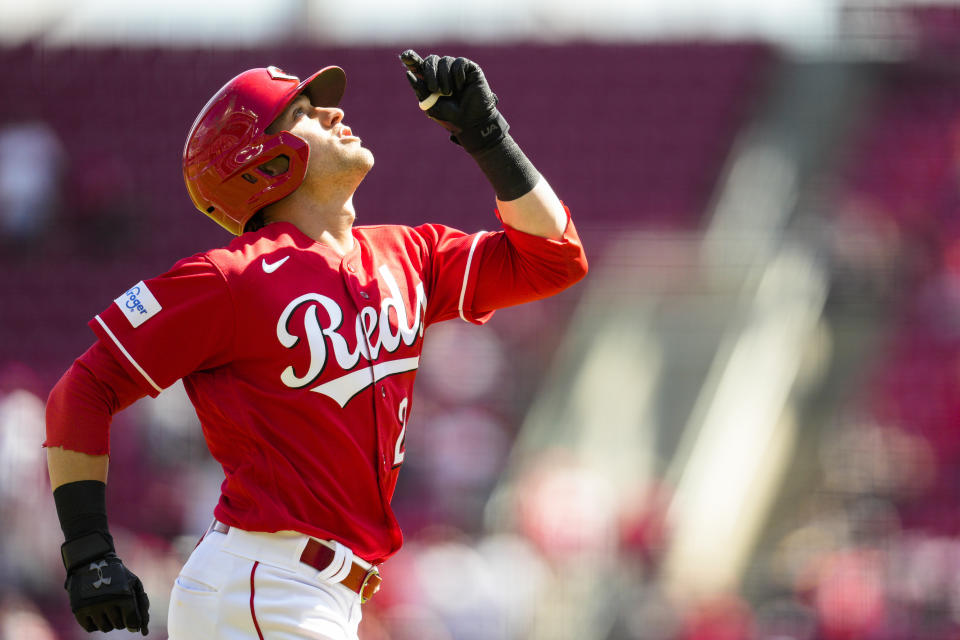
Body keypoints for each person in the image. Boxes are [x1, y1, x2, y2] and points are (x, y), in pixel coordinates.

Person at [44, 49, 588, 639]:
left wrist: (488, 136)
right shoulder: (228, 278)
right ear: (256, 163)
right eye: (301, 111)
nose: (333, 113)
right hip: (266, 583)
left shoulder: (408, 254)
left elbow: (553, 258)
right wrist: (88, 550)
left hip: (315, 593)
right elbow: (84, 389)